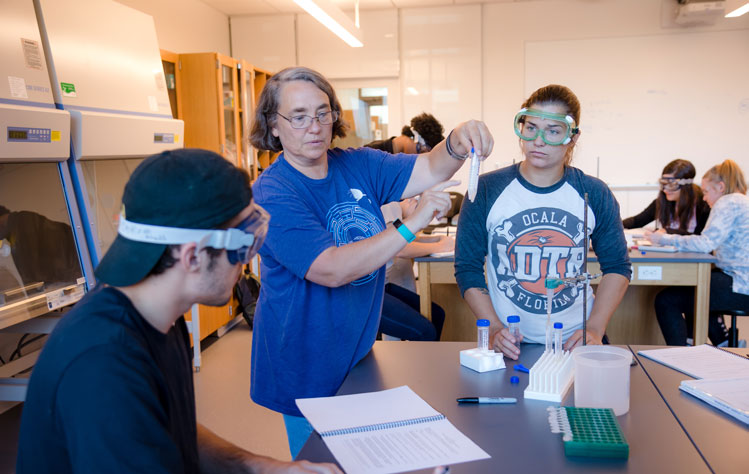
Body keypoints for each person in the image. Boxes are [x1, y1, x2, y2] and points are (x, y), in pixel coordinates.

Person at [17, 148, 341, 474]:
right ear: (192, 257)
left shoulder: (162, 317)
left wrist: (264, 468)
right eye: (243, 245)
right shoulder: (103, 364)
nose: (246, 262)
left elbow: (172, 429)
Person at [249, 66, 492, 457]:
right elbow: (331, 268)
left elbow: (430, 167)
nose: (314, 126)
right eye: (298, 116)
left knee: (366, 459)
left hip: (356, 354)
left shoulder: (356, 163)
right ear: (273, 126)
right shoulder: (272, 192)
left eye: (323, 112)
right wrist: (410, 226)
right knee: (323, 465)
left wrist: (457, 142)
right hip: (304, 363)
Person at [455, 84, 631, 361]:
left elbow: (617, 267)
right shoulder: (486, 189)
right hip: (510, 344)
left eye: (553, 131)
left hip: (576, 343)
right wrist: (495, 328)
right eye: (531, 127)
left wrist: (594, 329)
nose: (539, 140)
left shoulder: (593, 192)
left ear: (571, 138)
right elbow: (467, 267)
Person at [647, 159, 749, 346]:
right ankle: (723, 343)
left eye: (706, 192)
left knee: (667, 300)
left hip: (741, 286)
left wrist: (665, 239)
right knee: (700, 285)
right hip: (740, 280)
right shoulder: (740, 201)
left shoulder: (727, 202)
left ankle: (680, 356)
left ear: (720, 187)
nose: (703, 198)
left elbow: (705, 242)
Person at [379, 198, 451, 341]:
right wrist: (439, 247)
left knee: (437, 314)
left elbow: (407, 238)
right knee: (426, 331)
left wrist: (437, 239)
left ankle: (426, 361)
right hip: (373, 291)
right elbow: (400, 248)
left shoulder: (396, 214)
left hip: (383, 286)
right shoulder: (391, 207)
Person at [0, 205, 81, 288]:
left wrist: (35, 291)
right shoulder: (18, 226)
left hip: (67, 280)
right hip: (67, 279)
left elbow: (32, 272)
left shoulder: (23, 224)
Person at [622, 159, 711, 235]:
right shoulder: (662, 201)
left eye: (671, 185)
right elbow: (637, 221)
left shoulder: (703, 204)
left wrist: (667, 231)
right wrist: (616, 227)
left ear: (686, 186)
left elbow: (700, 237)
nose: (665, 190)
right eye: (663, 184)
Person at [365, 112, 445, 154]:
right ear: (412, 137)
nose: (419, 156)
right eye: (420, 150)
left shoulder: (401, 161)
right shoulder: (372, 152)